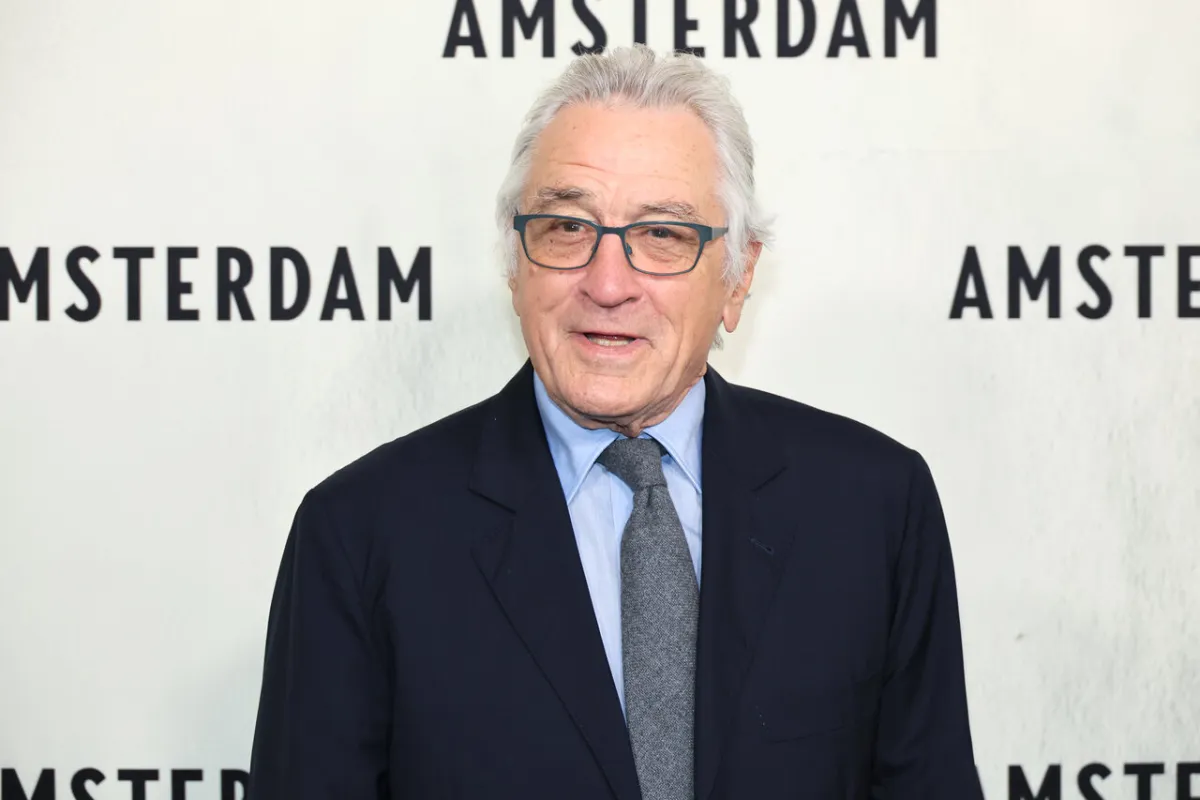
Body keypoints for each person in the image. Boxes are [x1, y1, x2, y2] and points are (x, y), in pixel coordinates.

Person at [247, 44, 984, 800]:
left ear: (739, 277)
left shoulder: (873, 508)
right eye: (566, 228)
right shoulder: (359, 536)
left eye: (662, 235)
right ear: (514, 263)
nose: (607, 283)